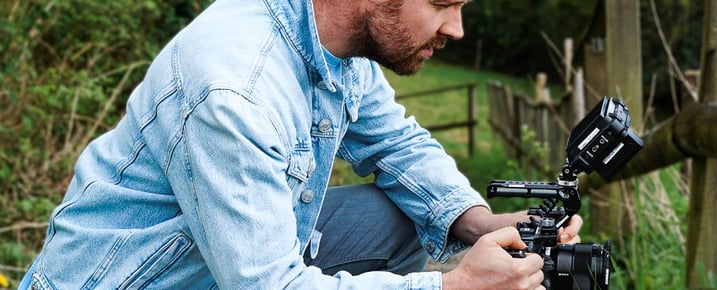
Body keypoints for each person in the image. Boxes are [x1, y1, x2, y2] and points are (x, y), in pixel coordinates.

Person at [19, 0, 583, 289]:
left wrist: (477, 222)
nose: (456, 28)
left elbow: (397, 145)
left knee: (397, 215)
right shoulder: (236, 90)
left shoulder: (331, 38)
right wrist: (452, 286)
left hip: (215, 263)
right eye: (442, 3)